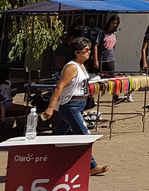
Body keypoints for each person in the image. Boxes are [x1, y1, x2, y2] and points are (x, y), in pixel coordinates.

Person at [42, 38, 110, 175]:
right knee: (84, 135)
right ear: (77, 52)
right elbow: (59, 87)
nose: (89, 52)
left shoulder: (82, 66)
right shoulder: (71, 67)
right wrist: (51, 107)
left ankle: (45, 159)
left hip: (79, 105)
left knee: (58, 136)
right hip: (70, 106)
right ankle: (91, 166)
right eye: (86, 50)